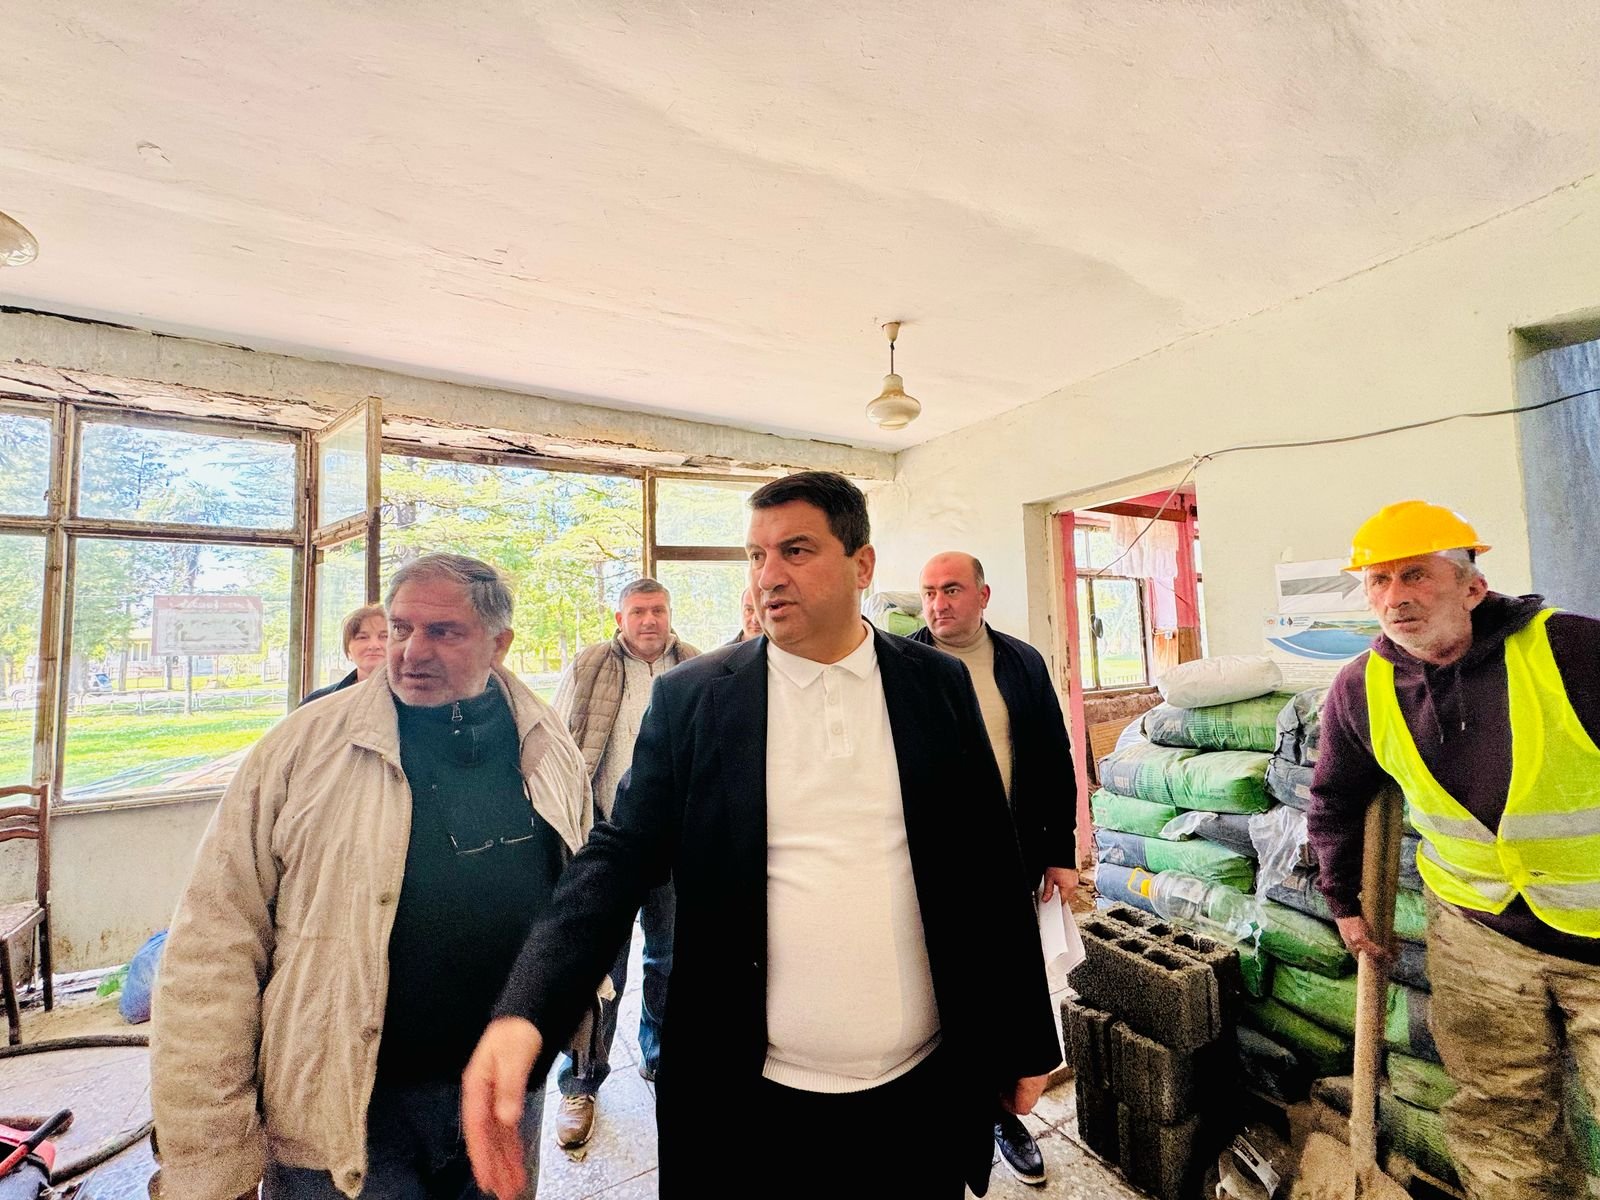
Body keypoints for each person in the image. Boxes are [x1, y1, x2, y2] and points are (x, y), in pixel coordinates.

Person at [462, 471, 1059, 1200]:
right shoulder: (696, 698)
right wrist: (529, 1007)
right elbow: (619, 854)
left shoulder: (935, 684)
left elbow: (989, 860)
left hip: (922, 1094)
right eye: (755, 555)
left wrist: (1027, 1036)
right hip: (750, 1100)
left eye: (796, 551)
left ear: (862, 565)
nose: (768, 576)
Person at [151, 554, 591, 1200]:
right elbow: (212, 946)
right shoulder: (302, 750)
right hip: (343, 1112)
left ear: (499, 644)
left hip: (503, 1094)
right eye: (401, 627)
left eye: (443, 632)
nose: (411, 651)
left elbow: (572, 909)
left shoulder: (546, 744)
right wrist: (211, 1155)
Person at [1306, 500, 1600, 1200]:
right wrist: (1342, 901)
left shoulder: (1573, 650)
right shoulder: (1361, 688)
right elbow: (1336, 801)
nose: (1395, 598)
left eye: (1415, 575)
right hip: (1478, 936)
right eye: (1378, 581)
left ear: (1472, 587)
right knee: (1499, 1118)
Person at [912, 550, 1078, 1186]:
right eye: (929, 592)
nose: (938, 604)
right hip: (930, 864)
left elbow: (1053, 753)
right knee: (941, 989)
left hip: (1011, 856)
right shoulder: (903, 665)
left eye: (952, 589)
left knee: (1008, 987)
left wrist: (1061, 851)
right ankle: (953, 1113)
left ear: (983, 595)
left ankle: (1004, 1114)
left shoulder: (1020, 661)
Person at [547, 577, 699, 1148]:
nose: (649, 620)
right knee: (598, 969)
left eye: (658, 609)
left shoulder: (695, 666)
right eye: (638, 611)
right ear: (620, 618)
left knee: (670, 959)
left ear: (670, 613)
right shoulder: (590, 666)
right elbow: (557, 748)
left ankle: (660, 1057)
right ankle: (580, 1081)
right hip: (608, 841)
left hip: (674, 847)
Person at [300, 603, 387, 705]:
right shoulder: (317, 702)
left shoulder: (405, 700)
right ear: (348, 651)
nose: (374, 645)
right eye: (362, 637)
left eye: (385, 636)